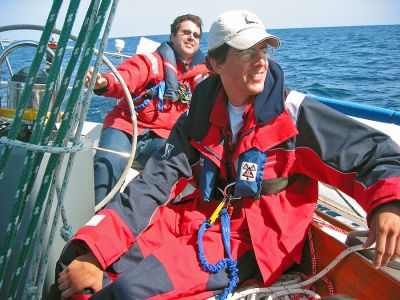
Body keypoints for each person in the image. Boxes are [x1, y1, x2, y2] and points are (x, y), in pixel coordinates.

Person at [57, 10, 400, 300]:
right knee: (75, 258)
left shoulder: (294, 115)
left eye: (264, 49)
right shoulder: (199, 115)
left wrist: (389, 206)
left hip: (259, 235)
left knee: (128, 291)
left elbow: (375, 153)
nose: (262, 61)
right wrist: (95, 252)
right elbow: (156, 181)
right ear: (215, 64)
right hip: (201, 215)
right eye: (248, 51)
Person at [87, 14, 210, 205]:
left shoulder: (203, 75)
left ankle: (137, 216)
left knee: (175, 169)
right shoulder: (150, 62)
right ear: (172, 36)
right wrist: (104, 81)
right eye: (186, 32)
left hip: (163, 137)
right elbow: (126, 77)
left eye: (196, 35)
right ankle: (100, 217)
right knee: (108, 164)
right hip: (127, 127)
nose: (191, 37)